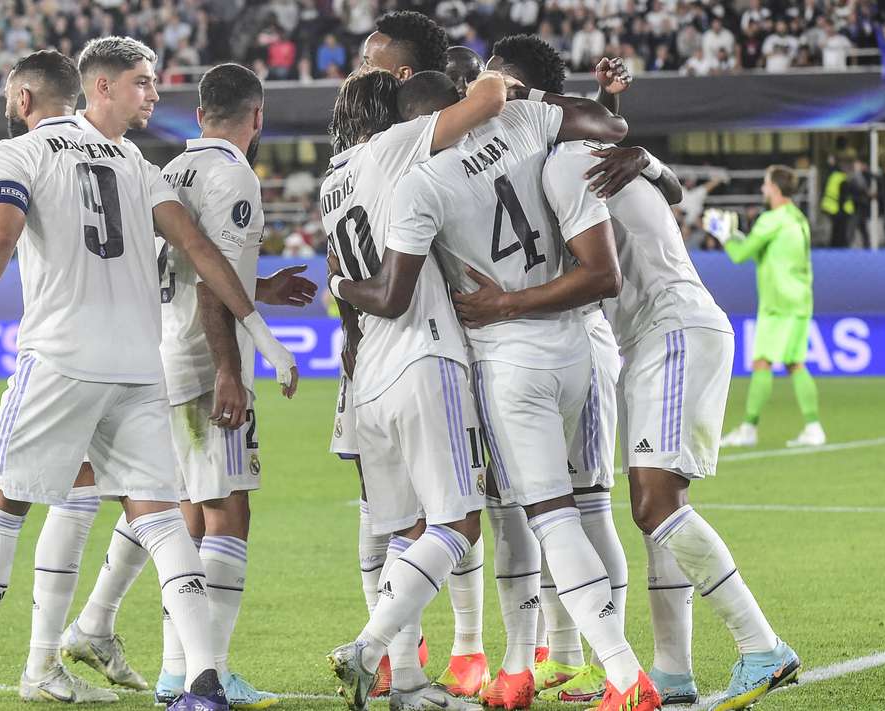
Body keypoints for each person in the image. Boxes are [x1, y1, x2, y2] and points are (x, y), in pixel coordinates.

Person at [0, 44, 298, 711]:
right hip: (139, 367)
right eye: (143, 83)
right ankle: (202, 684)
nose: (151, 94)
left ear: (22, 100)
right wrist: (264, 336)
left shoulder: (18, 153)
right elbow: (197, 247)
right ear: (85, 91)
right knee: (161, 520)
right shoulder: (136, 164)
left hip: (60, 360)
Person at [390, 44, 663, 711]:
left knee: (552, 516)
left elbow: (397, 290)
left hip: (509, 358)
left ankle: (623, 674)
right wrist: (529, 97)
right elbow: (604, 124)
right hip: (573, 343)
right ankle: (535, 661)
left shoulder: (419, 180)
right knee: (572, 508)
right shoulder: (522, 123)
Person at [48, 63, 316, 709]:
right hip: (202, 367)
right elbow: (209, 288)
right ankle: (207, 671)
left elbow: (190, 271)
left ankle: (161, 661)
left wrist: (260, 287)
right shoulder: (234, 175)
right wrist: (229, 369)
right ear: (258, 117)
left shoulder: (171, 171)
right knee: (226, 512)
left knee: (183, 512)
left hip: (161, 355)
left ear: (199, 116)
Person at [546, 145, 802, 711]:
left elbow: (601, 276)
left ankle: (762, 646)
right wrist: (650, 161)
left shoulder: (570, 164)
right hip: (656, 337)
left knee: (655, 505)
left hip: (671, 330)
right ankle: (672, 670)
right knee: (657, 513)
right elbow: (673, 189)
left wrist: (505, 303)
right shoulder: (613, 159)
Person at [323, 66, 510, 711]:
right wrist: (495, 81)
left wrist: (338, 293)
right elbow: (487, 101)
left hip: (368, 376)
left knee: (404, 532)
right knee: (458, 522)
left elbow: (342, 280)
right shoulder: (395, 147)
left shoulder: (332, 180)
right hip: (423, 359)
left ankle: (405, 682)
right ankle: (367, 648)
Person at [712, 166, 825, 448]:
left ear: (774, 187)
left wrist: (723, 235)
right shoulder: (796, 217)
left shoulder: (771, 219)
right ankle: (813, 427)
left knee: (762, 361)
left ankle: (749, 429)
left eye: (765, 184)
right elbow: (760, 250)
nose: (762, 189)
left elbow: (740, 255)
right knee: (794, 363)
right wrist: (735, 234)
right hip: (800, 300)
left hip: (778, 304)